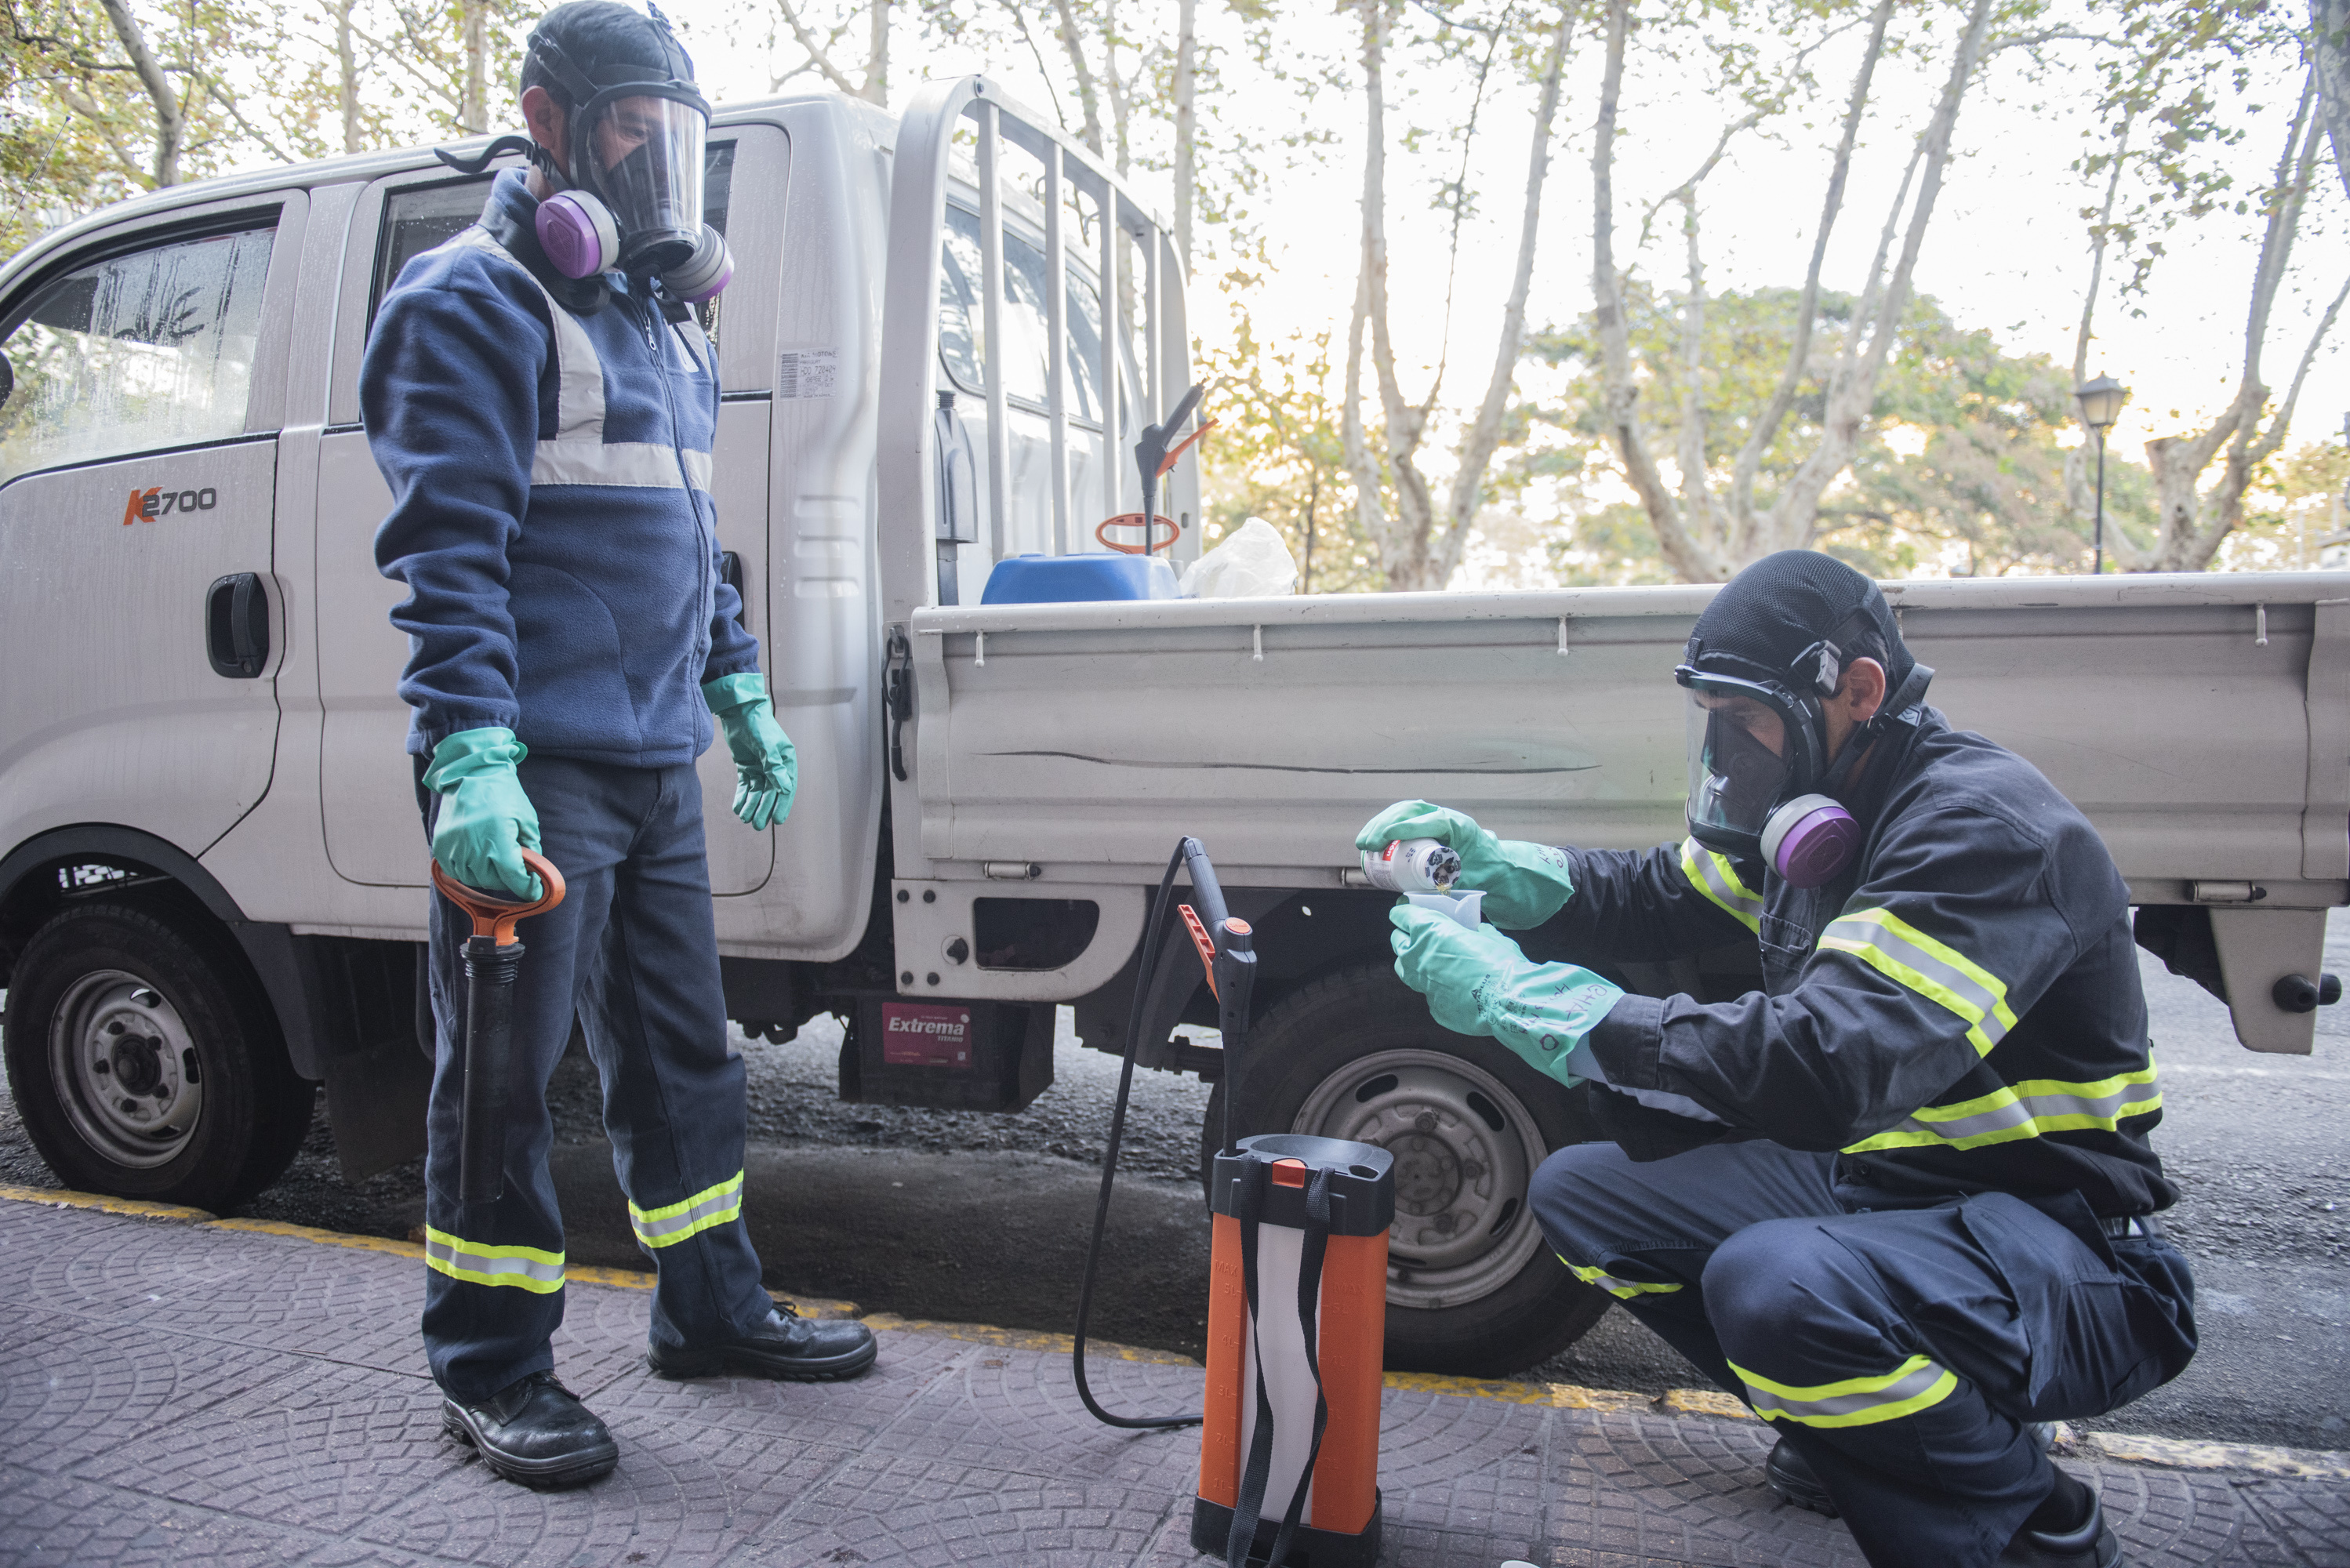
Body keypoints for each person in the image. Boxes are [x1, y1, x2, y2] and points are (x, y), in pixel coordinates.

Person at [1360, 550, 2192, 1568]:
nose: (1724, 747)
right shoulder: (1811, 808)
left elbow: (1825, 1069)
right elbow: (1662, 893)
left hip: (2066, 1248)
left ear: (1858, 691)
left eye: (1742, 719)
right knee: (1584, 1197)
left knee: (1780, 1285)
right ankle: (1855, 1432)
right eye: (1708, 715)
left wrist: (1540, 1003)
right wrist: (1507, 873)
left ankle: (2032, 1527)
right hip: (1895, 1193)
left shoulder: (1980, 832)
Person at [364, 0, 874, 1490]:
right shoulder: (469, 299)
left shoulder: (664, 318)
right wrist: (469, 755)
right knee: (504, 1081)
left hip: (653, 765)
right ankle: (491, 1369)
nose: (664, 175)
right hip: (528, 770)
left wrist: (740, 694)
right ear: (547, 121)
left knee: (682, 1060)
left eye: (682, 145)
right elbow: (448, 552)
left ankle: (708, 1310)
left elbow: (688, 543)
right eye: (636, 136)